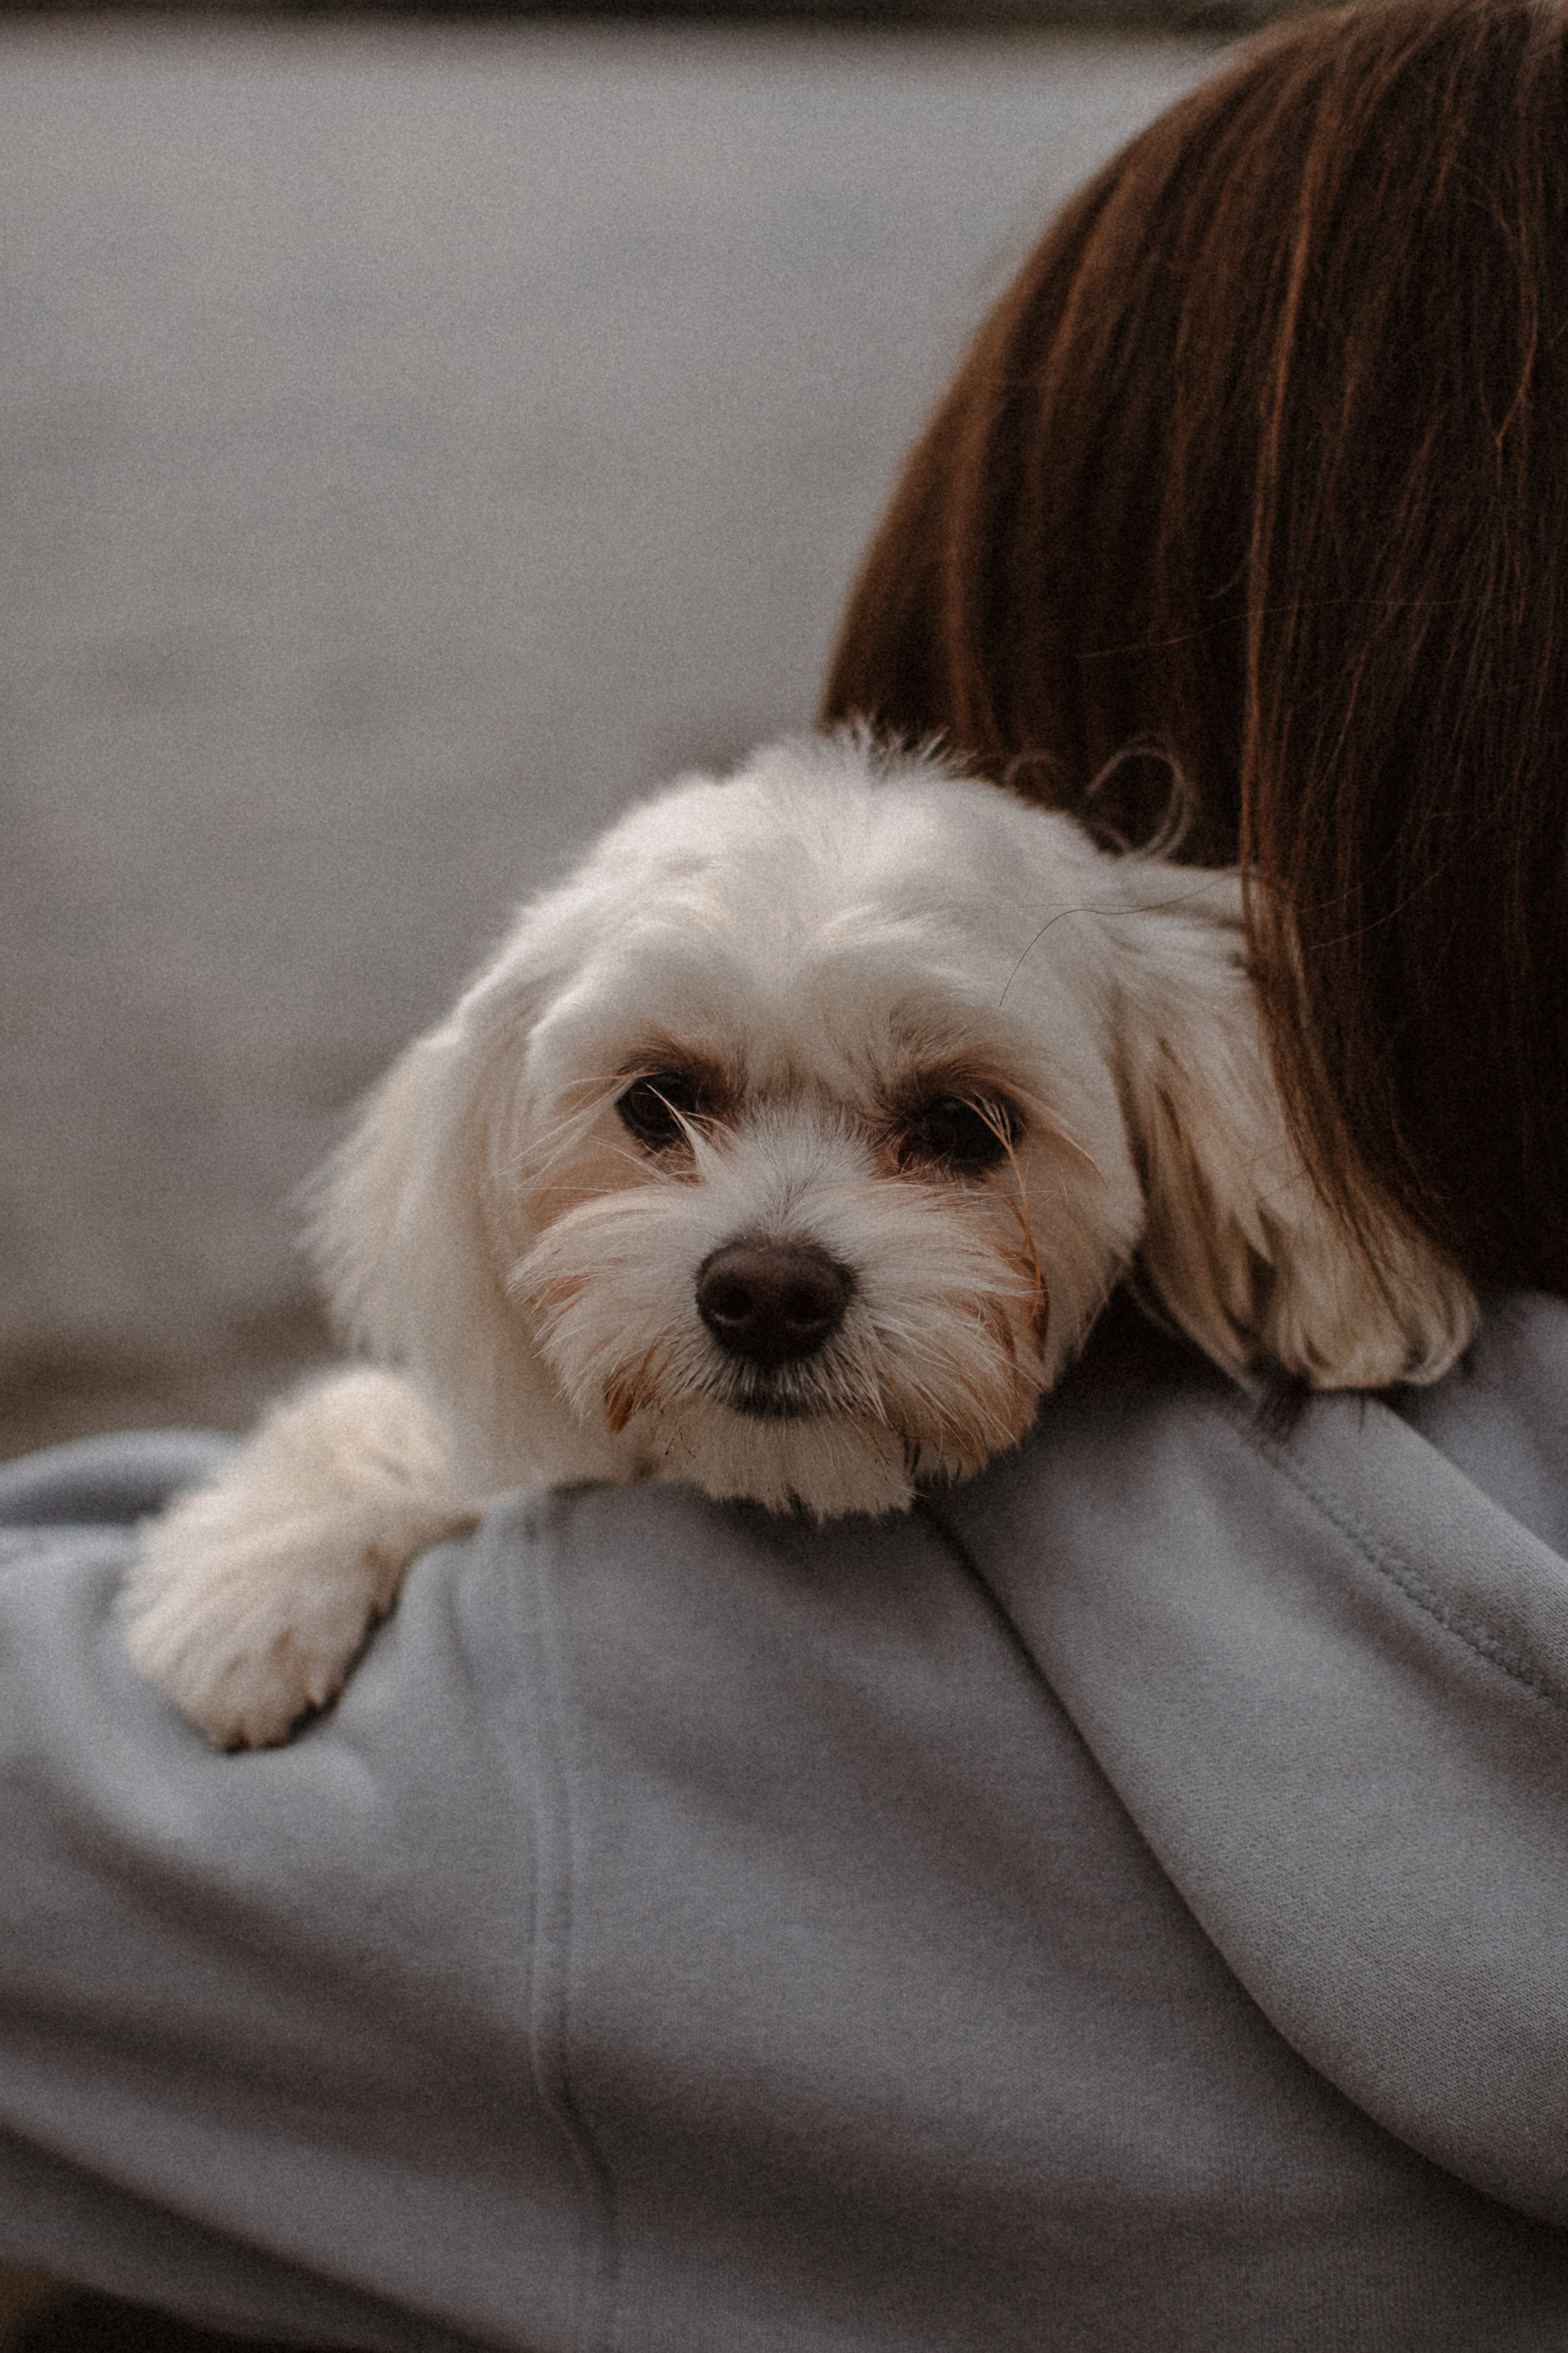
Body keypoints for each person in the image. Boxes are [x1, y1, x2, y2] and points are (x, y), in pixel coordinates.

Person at [5, 1, 1568, 2345]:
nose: (767, 1250)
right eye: (668, 1118)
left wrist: (365, 1479)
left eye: (952, 1132)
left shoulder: (653, 1724)